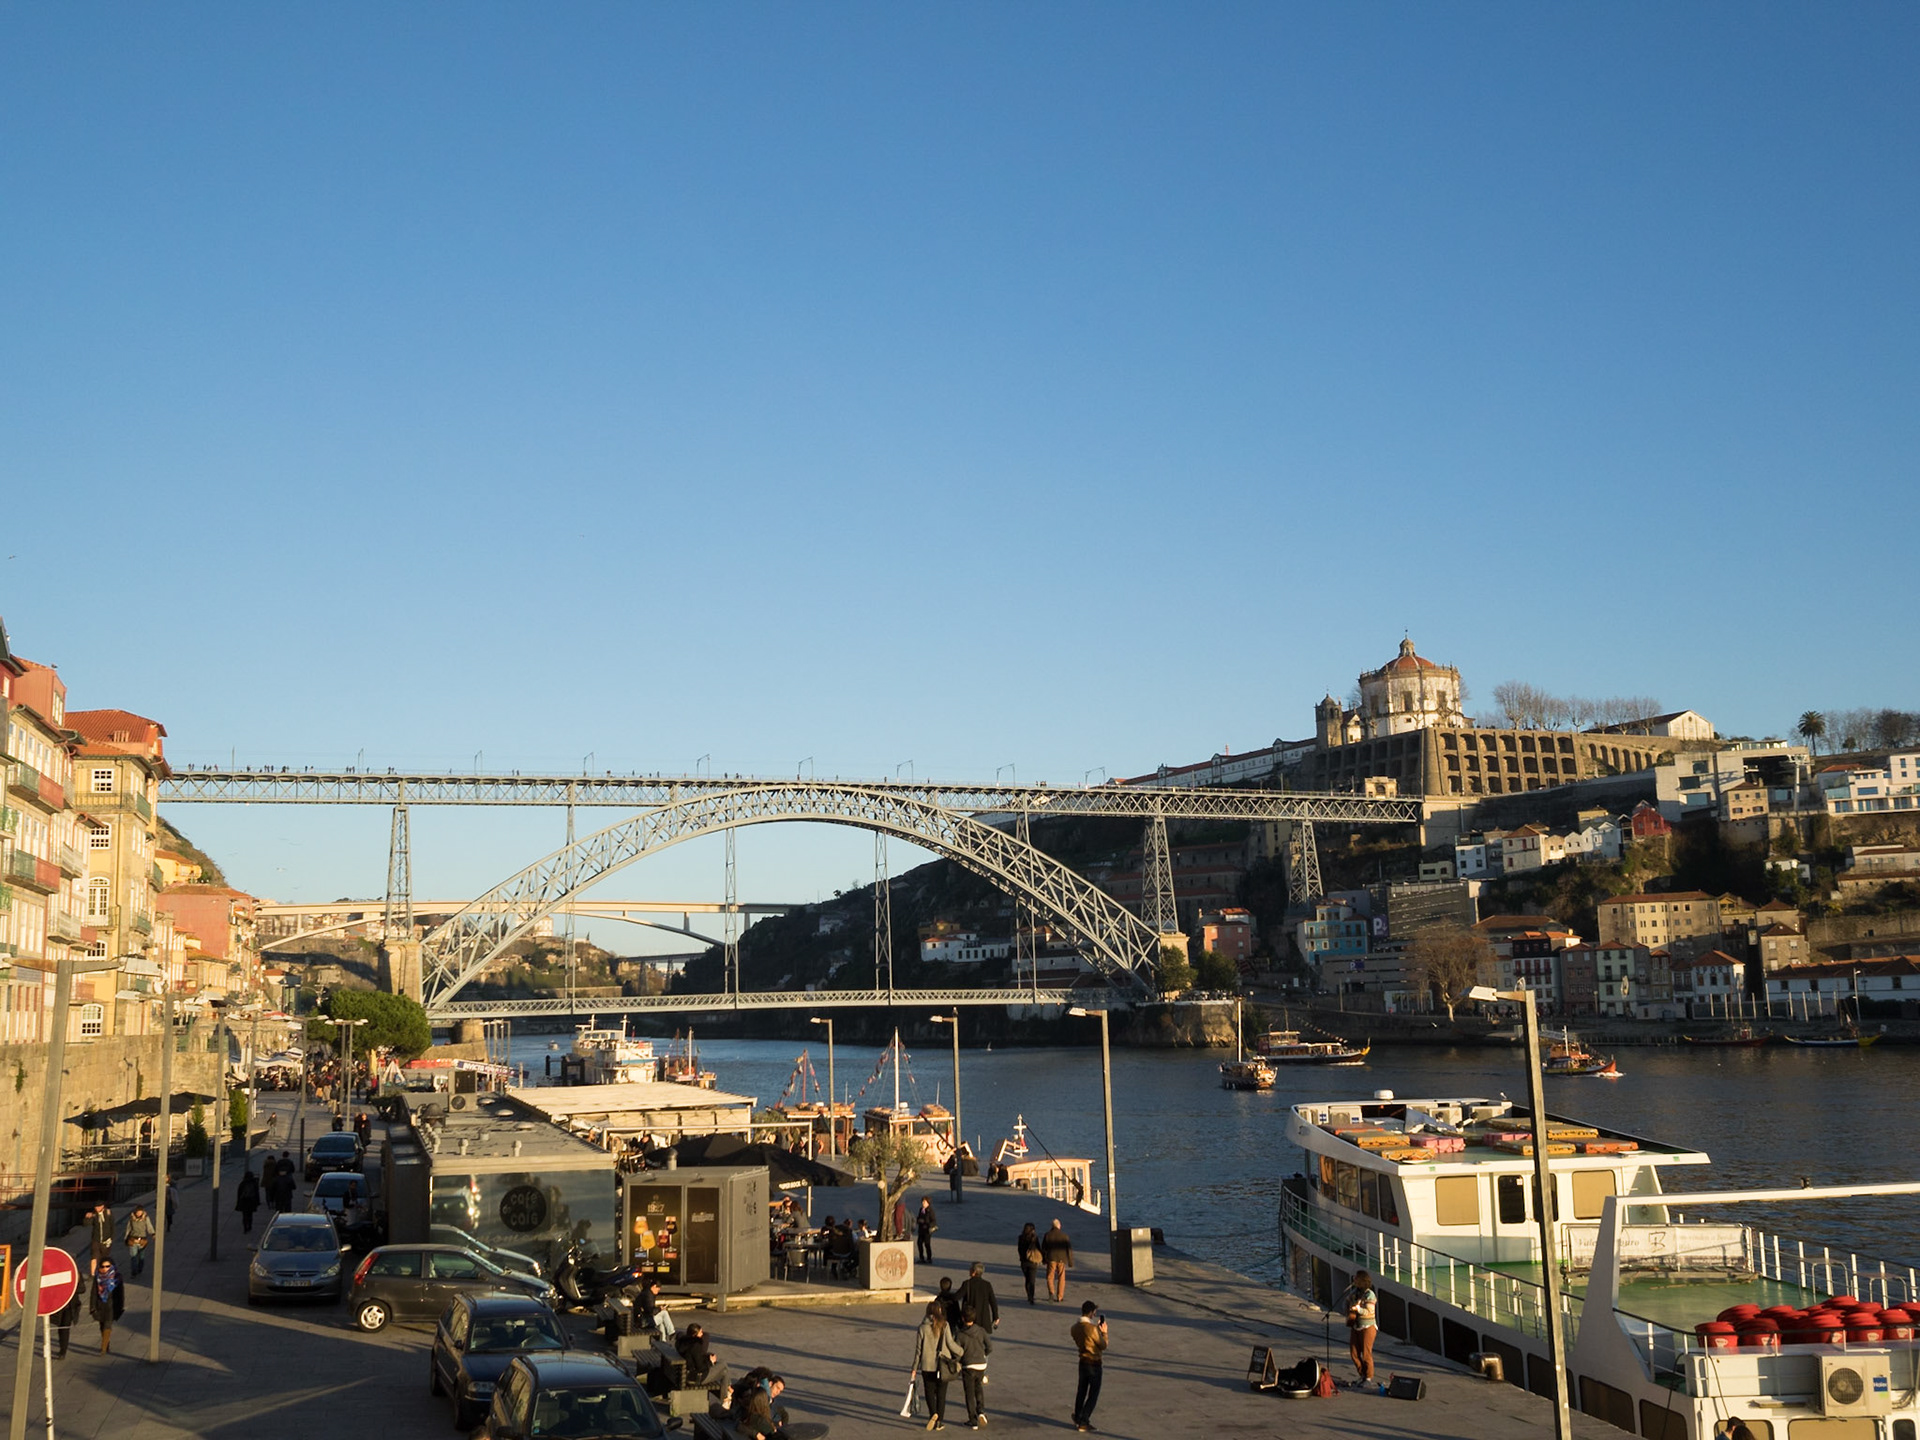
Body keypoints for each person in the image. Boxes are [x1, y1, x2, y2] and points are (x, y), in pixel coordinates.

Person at [913, 1299, 963, 1432]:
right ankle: (939, 1421)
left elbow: (918, 1350)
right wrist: (961, 1351)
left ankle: (933, 1414)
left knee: (929, 1392)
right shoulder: (944, 1325)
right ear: (939, 1311)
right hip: (942, 1365)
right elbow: (951, 1344)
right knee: (941, 1394)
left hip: (927, 1366)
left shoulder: (922, 1327)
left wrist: (914, 1368)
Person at [1068, 1301, 1108, 1433]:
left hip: (1082, 1361)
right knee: (1093, 1393)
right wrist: (1104, 1333)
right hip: (1094, 1363)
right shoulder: (1092, 1329)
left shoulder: (1074, 1328)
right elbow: (1103, 1345)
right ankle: (1084, 1420)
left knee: (1081, 1390)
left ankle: (1078, 1416)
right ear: (1091, 1313)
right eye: (1094, 1312)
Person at [955, 1303, 993, 1428]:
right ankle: (981, 1410)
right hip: (981, 1365)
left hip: (968, 1366)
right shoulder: (981, 1331)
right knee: (979, 1388)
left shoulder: (960, 1334)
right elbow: (989, 1347)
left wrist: (957, 1362)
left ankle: (973, 1419)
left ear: (963, 1318)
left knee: (969, 1393)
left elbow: (957, 1352)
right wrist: (983, 1354)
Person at [675, 1323, 731, 1403]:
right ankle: (727, 1393)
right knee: (723, 1364)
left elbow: (694, 1359)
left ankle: (726, 1396)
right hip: (696, 1378)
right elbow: (701, 1367)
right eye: (701, 1332)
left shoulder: (683, 1344)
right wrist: (710, 1361)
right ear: (695, 1335)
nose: (702, 1334)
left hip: (687, 1374)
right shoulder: (695, 1345)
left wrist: (707, 1357)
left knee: (724, 1372)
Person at [1341, 1269, 1378, 1385]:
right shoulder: (1355, 1292)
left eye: (1356, 1278)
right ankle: (1362, 1374)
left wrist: (1358, 1309)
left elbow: (1369, 1311)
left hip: (1367, 1326)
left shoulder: (1369, 1294)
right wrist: (1348, 1309)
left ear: (1361, 1280)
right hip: (1355, 1325)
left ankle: (1368, 1377)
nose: (1354, 1280)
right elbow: (1346, 1303)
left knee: (1366, 1354)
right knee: (1354, 1353)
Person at [734, 1370, 787, 1440]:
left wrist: (783, 1425)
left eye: (780, 1391)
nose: (778, 1392)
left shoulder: (771, 1402)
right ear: (770, 1384)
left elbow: (784, 1414)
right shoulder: (759, 1419)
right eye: (777, 1388)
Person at [90, 1258, 125, 1355]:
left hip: (111, 1306)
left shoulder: (117, 1277)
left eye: (107, 1266)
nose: (105, 1268)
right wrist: (92, 1307)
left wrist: (120, 1306)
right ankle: (106, 1343)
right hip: (100, 1306)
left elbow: (120, 1293)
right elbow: (93, 1293)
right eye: (102, 1266)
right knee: (101, 1326)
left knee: (107, 1326)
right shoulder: (98, 1278)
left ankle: (103, 1348)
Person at [959, 1260, 999, 1331]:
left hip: (970, 1319)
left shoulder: (967, 1284)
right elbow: (993, 1302)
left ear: (974, 1272)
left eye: (970, 1269)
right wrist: (996, 1317)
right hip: (983, 1320)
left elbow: (957, 1297)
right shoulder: (987, 1285)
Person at [1040, 1219, 1073, 1304]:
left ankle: (1051, 1292)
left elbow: (1043, 1248)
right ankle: (1060, 1296)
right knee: (1061, 1277)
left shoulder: (1047, 1235)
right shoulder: (1064, 1236)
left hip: (1051, 1258)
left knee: (1050, 1276)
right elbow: (1069, 1249)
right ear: (1059, 1226)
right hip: (1062, 1259)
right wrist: (1070, 1261)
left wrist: (1043, 1259)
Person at [52, 1277, 82, 1359]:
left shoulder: (75, 1273)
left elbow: (82, 1289)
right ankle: (62, 1347)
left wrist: (74, 1284)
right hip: (58, 1306)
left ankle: (63, 1351)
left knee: (65, 1328)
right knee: (60, 1328)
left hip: (69, 1307)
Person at [123, 1206, 156, 1279]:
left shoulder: (145, 1218)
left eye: (140, 1212)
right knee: (133, 1256)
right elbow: (128, 1229)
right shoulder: (131, 1219)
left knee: (141, 1256)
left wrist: (153, 1233)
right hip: (133, 1239)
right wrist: (126, 1238)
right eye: (138, 1212)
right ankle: (134, 1271)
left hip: (142, 1240)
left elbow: (149, 1227)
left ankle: (140, 1268)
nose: (139, 1213)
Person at [1016, 1223, 1042, 1306]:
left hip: (1024, 1262)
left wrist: (1022, 1257)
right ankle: (1031, 1296)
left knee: (1027, 1279)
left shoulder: (1021, 1238)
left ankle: (1029, 1295)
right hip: (1033, 1262)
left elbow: (1019, 1249)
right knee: (1032, 1280)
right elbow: (1038, 1249)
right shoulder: (1034, 1238)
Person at [87, 1201, 114, 1272]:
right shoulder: (94, 1215)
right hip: (96, 1240)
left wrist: (111, 1238)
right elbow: (87, 1224)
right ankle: (92, 1274)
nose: (97, 1208)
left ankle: (103, 1272)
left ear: (102, 1206)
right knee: (94, 1257)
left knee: (104, 1258)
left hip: (106, 1240)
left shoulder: (108, 1213)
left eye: (99, 1207)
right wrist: (88, 1218)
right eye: (96, 1207)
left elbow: (112, 1226)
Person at [235, 1169, 262, 1233]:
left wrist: (238, 1203)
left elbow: (239, 1194)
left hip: (244, 1201)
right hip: (251, 1201)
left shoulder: (242, 1183)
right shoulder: (254, 1183)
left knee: (244, 1215)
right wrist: (257, 1202)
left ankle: (245, 1228)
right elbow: (257, 1193)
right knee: (250, 1215)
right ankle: (250, 1226)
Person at [915, 1197, 938, 1264]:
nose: (923, 1203)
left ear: (928, 1203)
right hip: (921, 1230)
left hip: (927, 1230)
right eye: (922, 1202)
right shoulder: (921, 1209)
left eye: (924, 1202)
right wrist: (918, 1220)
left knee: (927, 1244)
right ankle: (921, 1258)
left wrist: (927, 1224)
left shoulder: (930, 1211)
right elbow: (919, 1217)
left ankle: (929, 1258)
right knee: (919, 1243)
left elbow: (933, 1221)